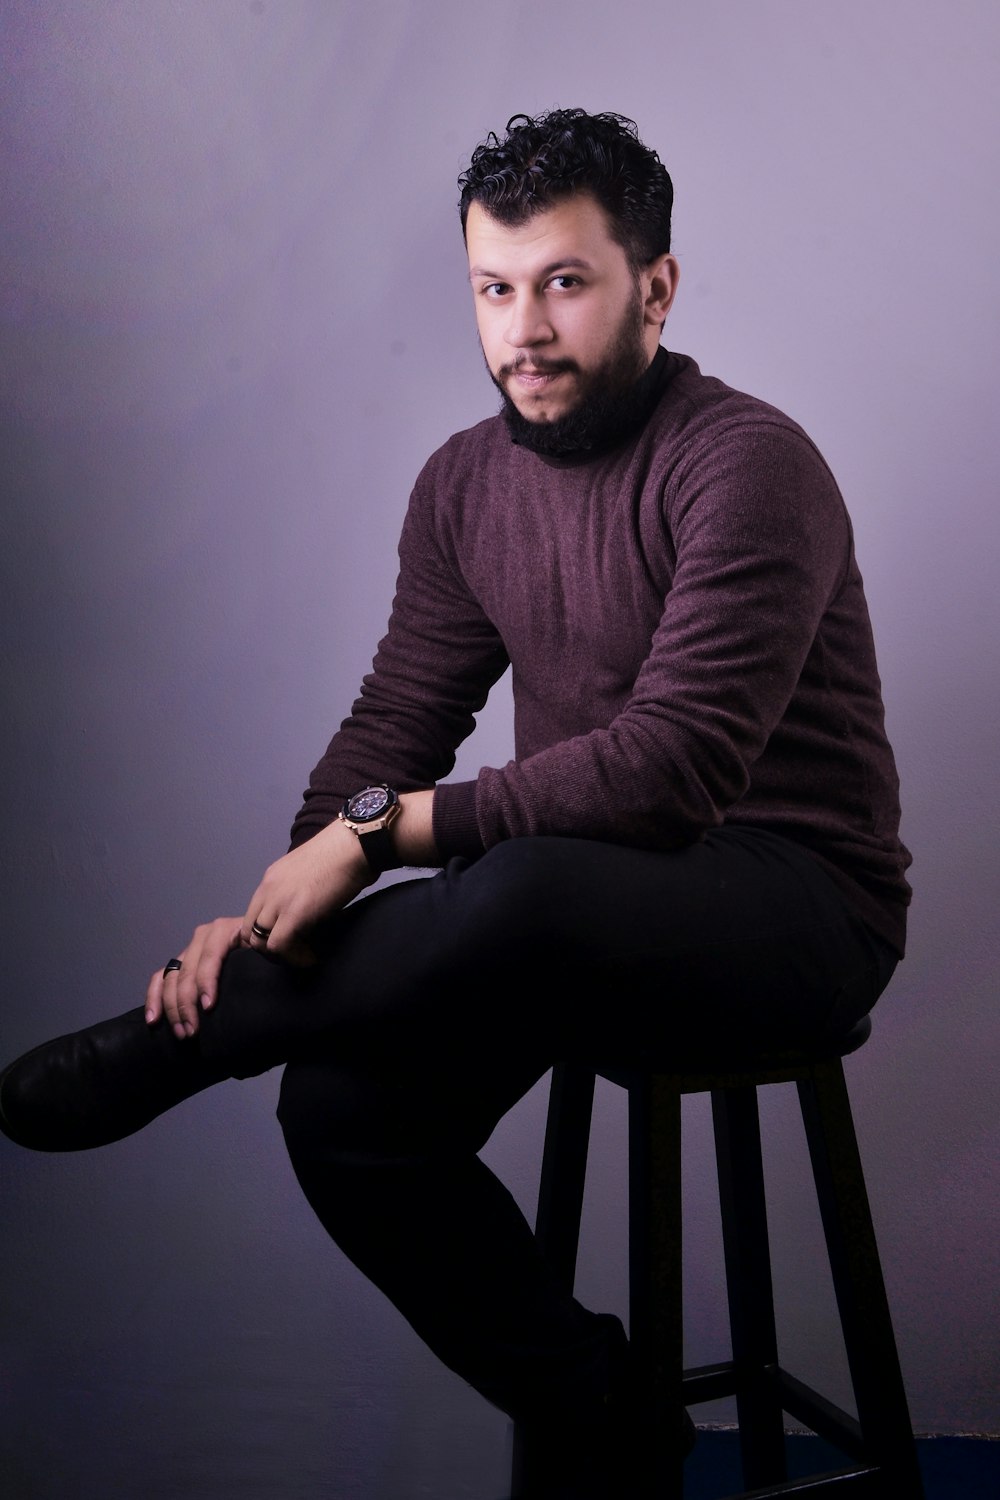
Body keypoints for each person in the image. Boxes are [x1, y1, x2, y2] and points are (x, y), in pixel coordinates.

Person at [0, 109, 910, 1498]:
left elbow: (670, 773)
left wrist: (376, 839)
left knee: (533, 876)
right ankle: (607, 1408)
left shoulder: (748, 465)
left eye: (564, 282)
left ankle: (206, 1033)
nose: (523, 329)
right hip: (560, 925)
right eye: (495, 288)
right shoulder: (462, 485)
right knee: (341, 1108)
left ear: (652, 288)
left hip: (790, 905)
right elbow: (396, 721)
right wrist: (286, 886)